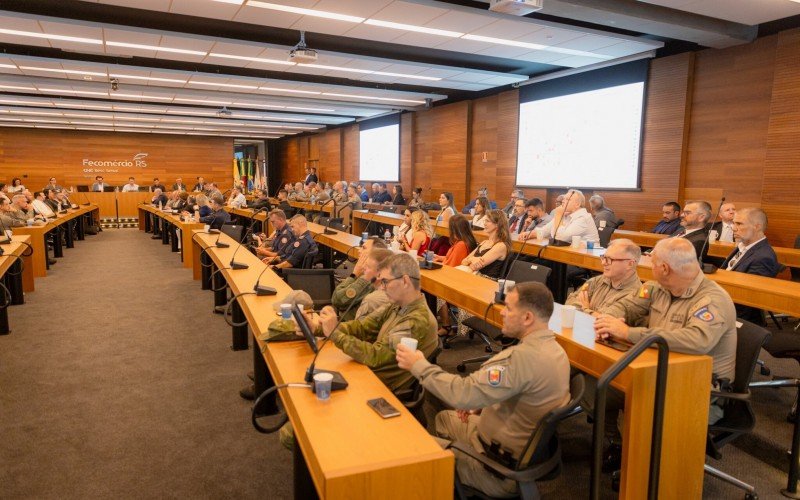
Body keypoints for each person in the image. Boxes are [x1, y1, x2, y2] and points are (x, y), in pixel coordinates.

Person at [395, 282, 570, 498]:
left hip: (496, 469)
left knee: (408, 455)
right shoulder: (556, 351)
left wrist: (418, 365)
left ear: (527, 318)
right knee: (444, 419)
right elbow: (517, 388)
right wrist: (482, 403)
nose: (502, 313)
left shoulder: (520, 360)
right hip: (514, 450)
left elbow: (461, 394)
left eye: (508, 308)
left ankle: (453, 477)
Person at [593, 238, 737, 467]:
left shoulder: (711, 299)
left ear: (665, 268)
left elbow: (697, 339)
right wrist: (608, 321)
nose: (648, 267)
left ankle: (649, 465)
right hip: (658, 371)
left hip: (697, 388)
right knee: (595, 385)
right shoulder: (656, 286)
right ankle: (617, 444)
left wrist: (629, 333)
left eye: (652, 263)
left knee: (611, 387)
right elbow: (627, 305)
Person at [306, 252, 439, 392]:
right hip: (370, 375)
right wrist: (319, 328)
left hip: (383, 389)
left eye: (385, 282)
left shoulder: (417, 319)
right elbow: (362, 327)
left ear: (405, 281)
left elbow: (376, 357)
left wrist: (335, 334)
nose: (382, 287)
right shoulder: (398, 304)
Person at [722, 207, 781, 325]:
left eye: (739, 223)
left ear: (757, 226)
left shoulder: (763, 257)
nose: (733, 228)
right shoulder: (743, 247)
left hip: (736, 318)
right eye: (733, 223)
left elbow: (747, 301)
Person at [565, 239, 642, 314]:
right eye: (604, 258)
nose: (603, 263)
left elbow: (605, 322)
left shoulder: (634, 295)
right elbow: (571, 300)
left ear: (630, 264)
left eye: (610, 259)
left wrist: (586, 309)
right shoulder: (598, 280)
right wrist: (588, 311)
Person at [331, 244, 391, 321]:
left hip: (347, 325)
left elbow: (337, 299)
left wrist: (354, 274)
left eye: (364, 248)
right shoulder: (372, 276)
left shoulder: (367, 279)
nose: (359, 250)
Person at [461, 210, 511, 279]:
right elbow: (463, 261)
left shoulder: (501, 246)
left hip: (486, 281)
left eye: (487, 221)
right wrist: (472, 259)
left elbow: (475, 266)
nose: (484, 224)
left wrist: (470, 260)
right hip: (474, 276)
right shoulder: (484, 242)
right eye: (485, 221)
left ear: (497, 224)